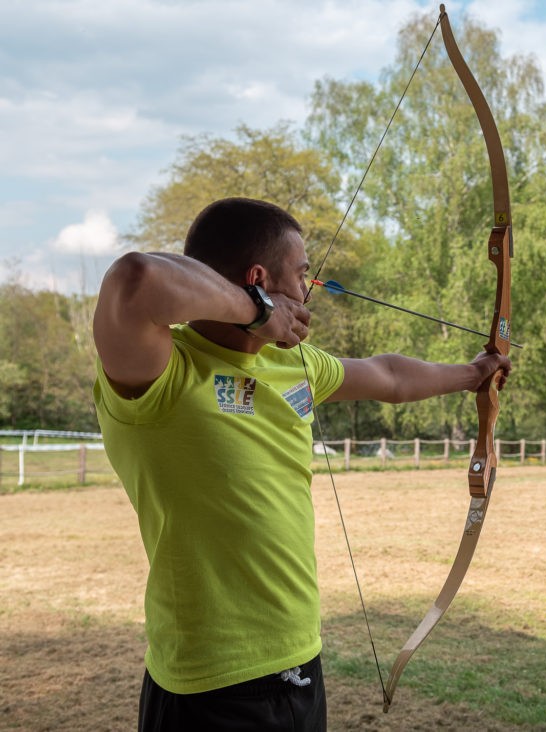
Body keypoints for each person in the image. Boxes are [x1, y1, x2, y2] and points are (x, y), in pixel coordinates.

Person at [92, 197, 510, 731]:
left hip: (298, 660)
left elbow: (389, 377)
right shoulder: (162, 368)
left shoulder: (293, 363)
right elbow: (134, 278)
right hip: (209, 680)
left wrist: (473, 375)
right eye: (302, 275)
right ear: (260, 278)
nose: (308, 290)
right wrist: (257, 310)